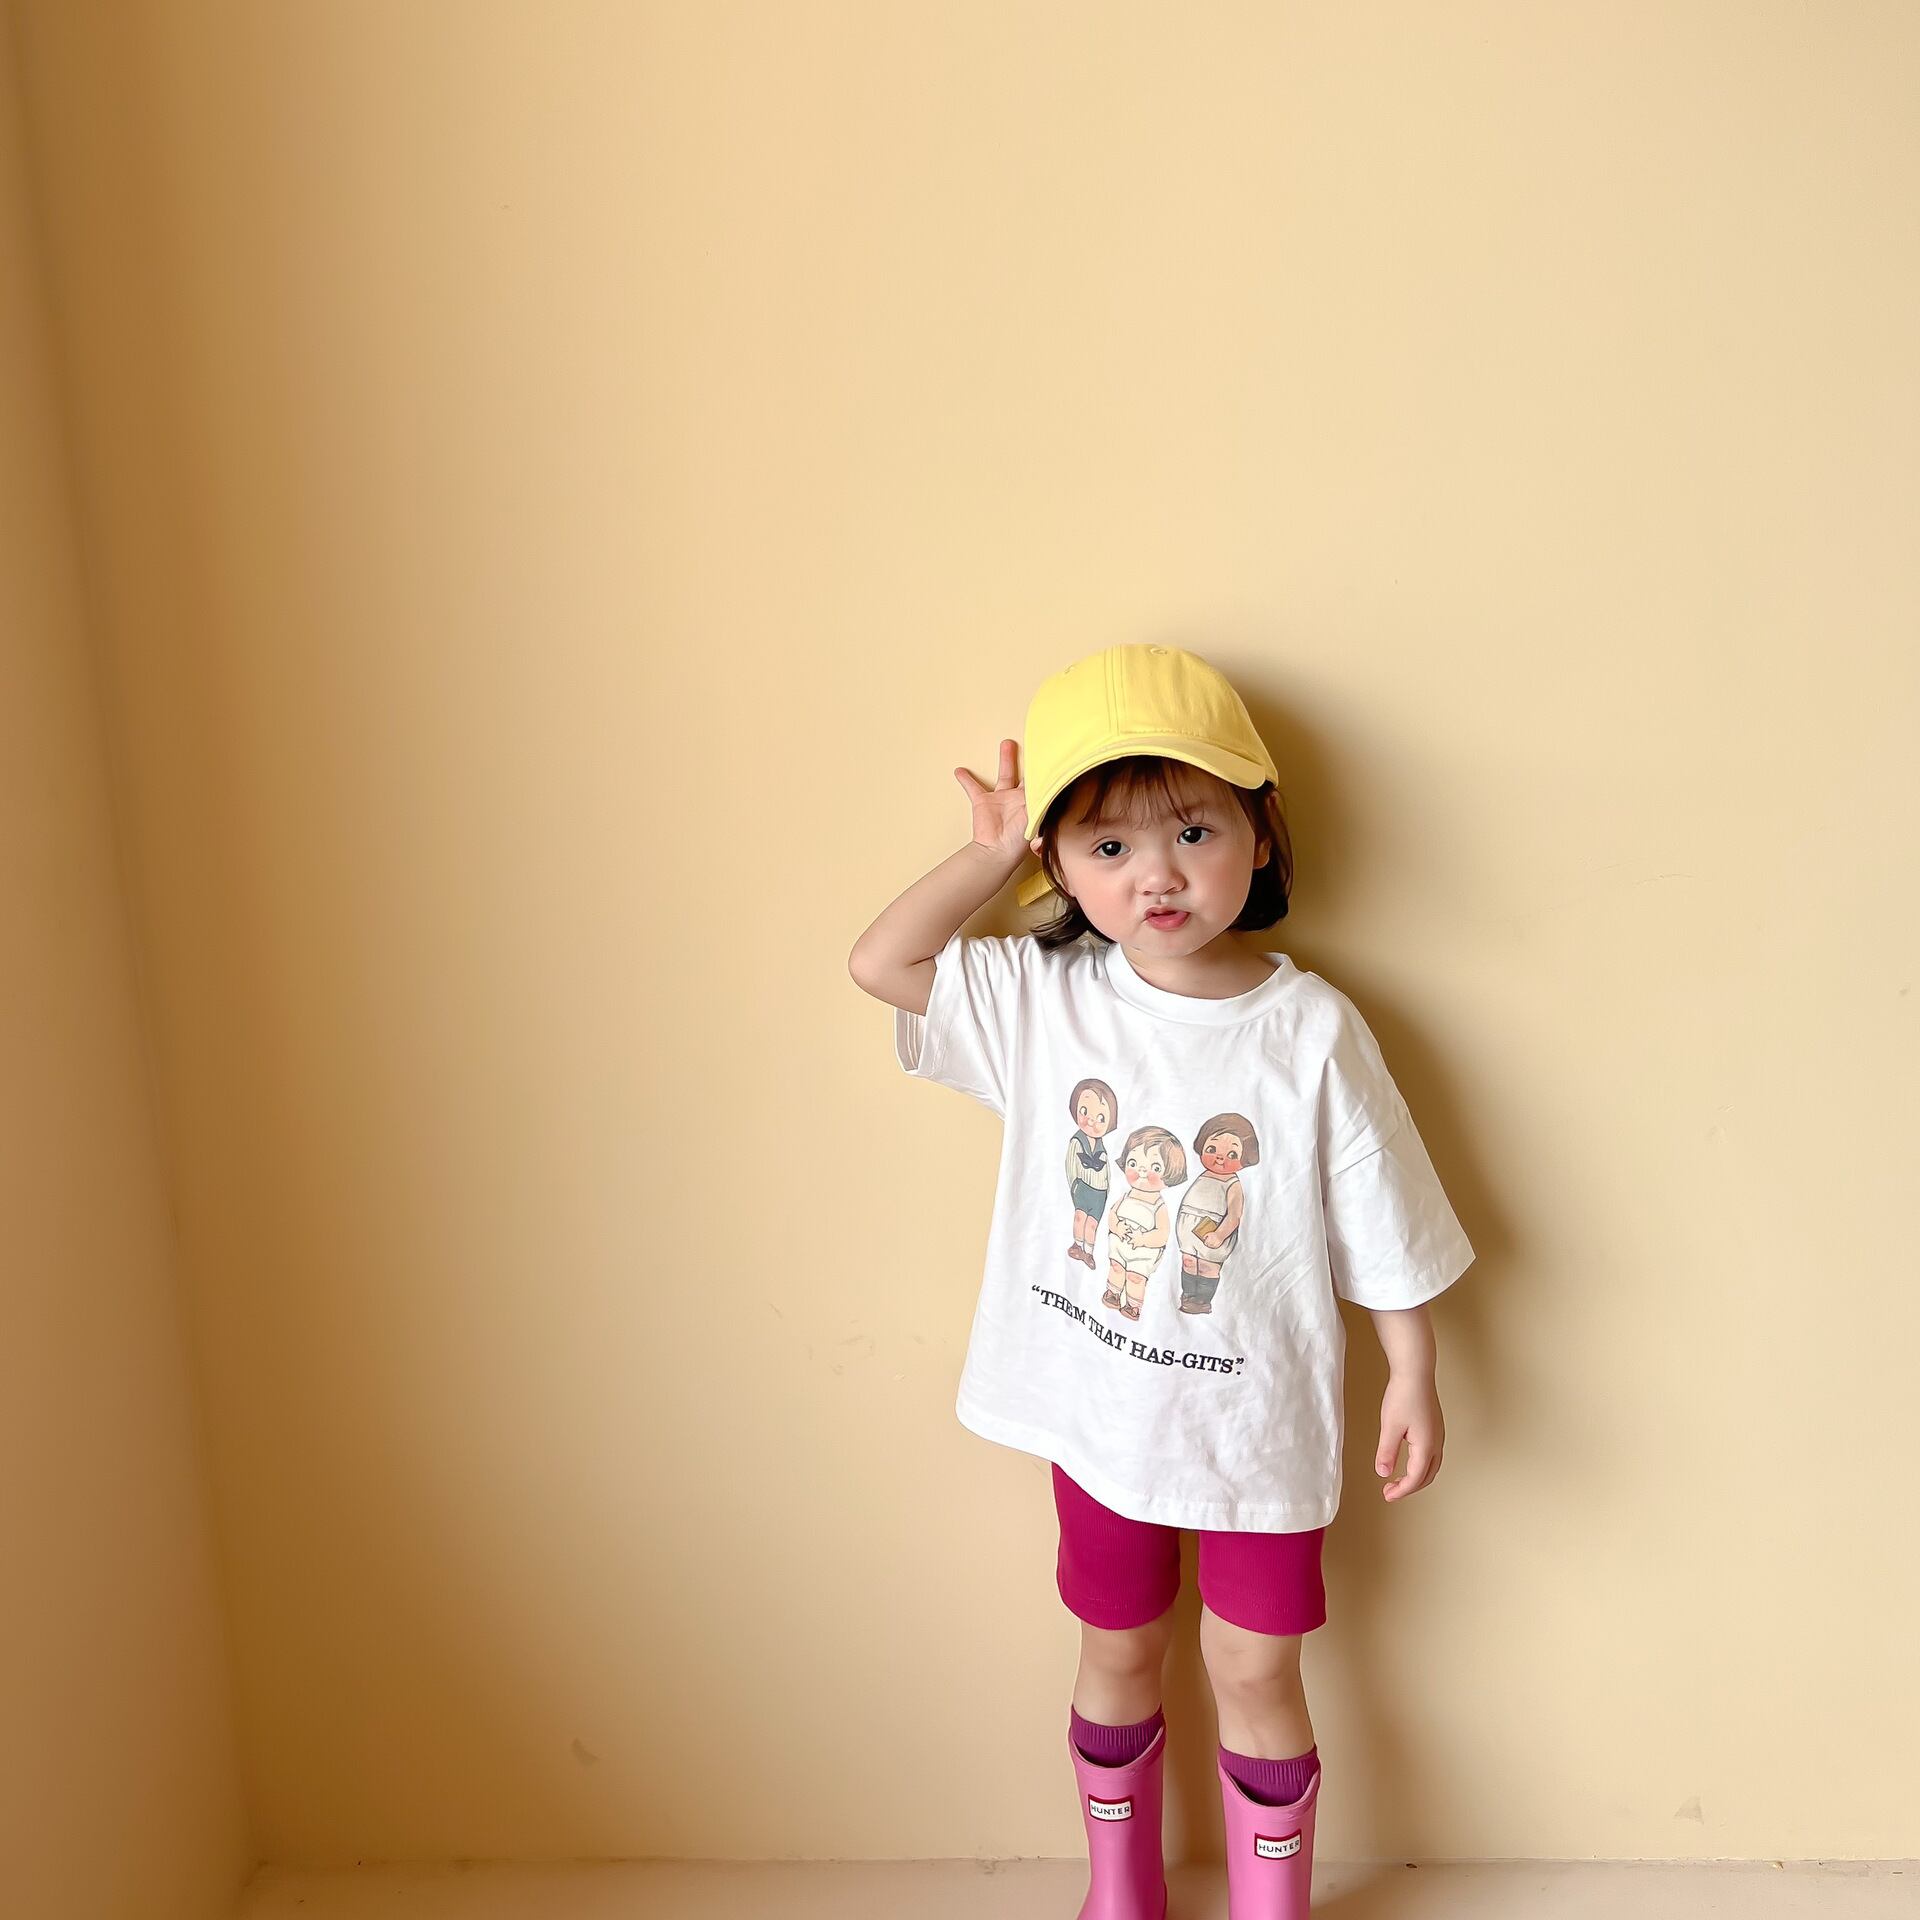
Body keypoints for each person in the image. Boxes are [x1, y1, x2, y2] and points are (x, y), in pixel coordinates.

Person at [848, 642, 1475, 1920]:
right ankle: (1120, 1894)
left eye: (1193, 830)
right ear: (1059, 864)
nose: (1159, 876)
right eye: (1108, 846)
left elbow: (1381, 1213)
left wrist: (1413, 1368)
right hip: (1098, 1420)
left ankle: (1269, 1908)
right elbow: (882, 965)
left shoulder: (1311, 1031)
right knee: (1118, 1652)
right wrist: (988, 856)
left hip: (1256, 1426)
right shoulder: (1044, 999)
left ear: (1260, 831)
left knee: (1255, 1671)